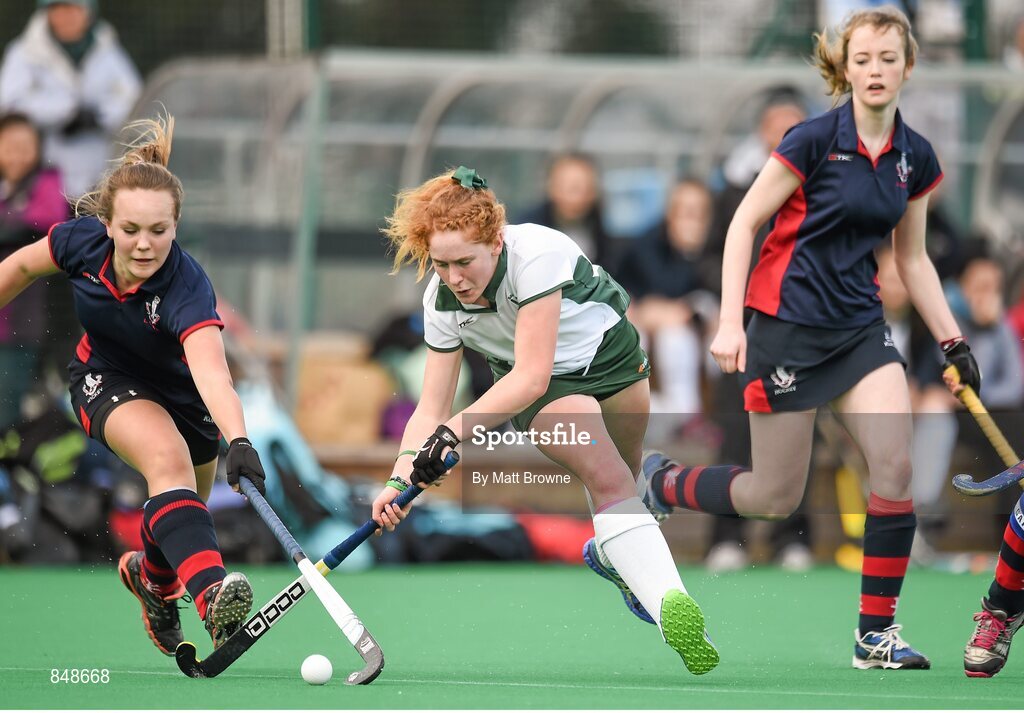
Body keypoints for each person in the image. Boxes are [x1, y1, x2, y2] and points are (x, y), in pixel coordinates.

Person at [636, 7, 971, 670]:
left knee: (895, 465)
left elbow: (913, 260)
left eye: (888, 58)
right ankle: (663, 481)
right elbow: (741, 226)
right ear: (844, 69)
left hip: (859, 331)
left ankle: (875, 635)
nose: (876, 71)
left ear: (908, 66)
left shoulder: (915, 158)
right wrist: (732, 319)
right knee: (773, 496)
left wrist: (954, 341)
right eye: (864, 59)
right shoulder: (811, 141)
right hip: (785, 328)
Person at [371, 165, 719, 675]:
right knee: (608, 477)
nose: (454, 278)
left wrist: (451, 435)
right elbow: (436, 406)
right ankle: (677, 613)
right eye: (441, 264)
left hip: (613, 358)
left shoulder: (536, 255)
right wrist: (400, 474)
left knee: (628, 484)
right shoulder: (441, 302)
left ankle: (609, 553)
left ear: (496, 239)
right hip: (543, 389)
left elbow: (511, 385)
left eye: (464, 262)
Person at [0, 113, 266, 656]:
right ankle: (213, 600)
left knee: (180, 508)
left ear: (176, 226)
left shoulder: (187, 287)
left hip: (187, 400)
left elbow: (212, 372)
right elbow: (22, 268)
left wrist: (239, 440)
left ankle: (153, 581)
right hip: (104, 378)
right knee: (167, 465)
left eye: (159, 231)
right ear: (107, 224)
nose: (144, 245)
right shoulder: (81, 243)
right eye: (130, 230)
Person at [0, 0, 141, 198]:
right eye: (58, 9)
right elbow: (10, 104)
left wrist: (99, 116)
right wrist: (66, 112)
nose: (66, 17)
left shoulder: (109, 50)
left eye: (73, 9)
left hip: (101, 176)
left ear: (87, 13)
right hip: (41, 183)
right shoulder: (24, 52)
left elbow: (133, 100)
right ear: (47, 13)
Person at [0, 112, 69, 425]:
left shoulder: (47, 181)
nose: (19, 153)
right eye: (10, 145)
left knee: (7, 414)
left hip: (19, 326)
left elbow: (51, 221)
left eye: (26, 145)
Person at [517, 154, 616, 268]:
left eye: (584, 187)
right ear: (551, 187)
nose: (576, 197)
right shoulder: (527, 229)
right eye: (571, 188)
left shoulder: (606, 231)